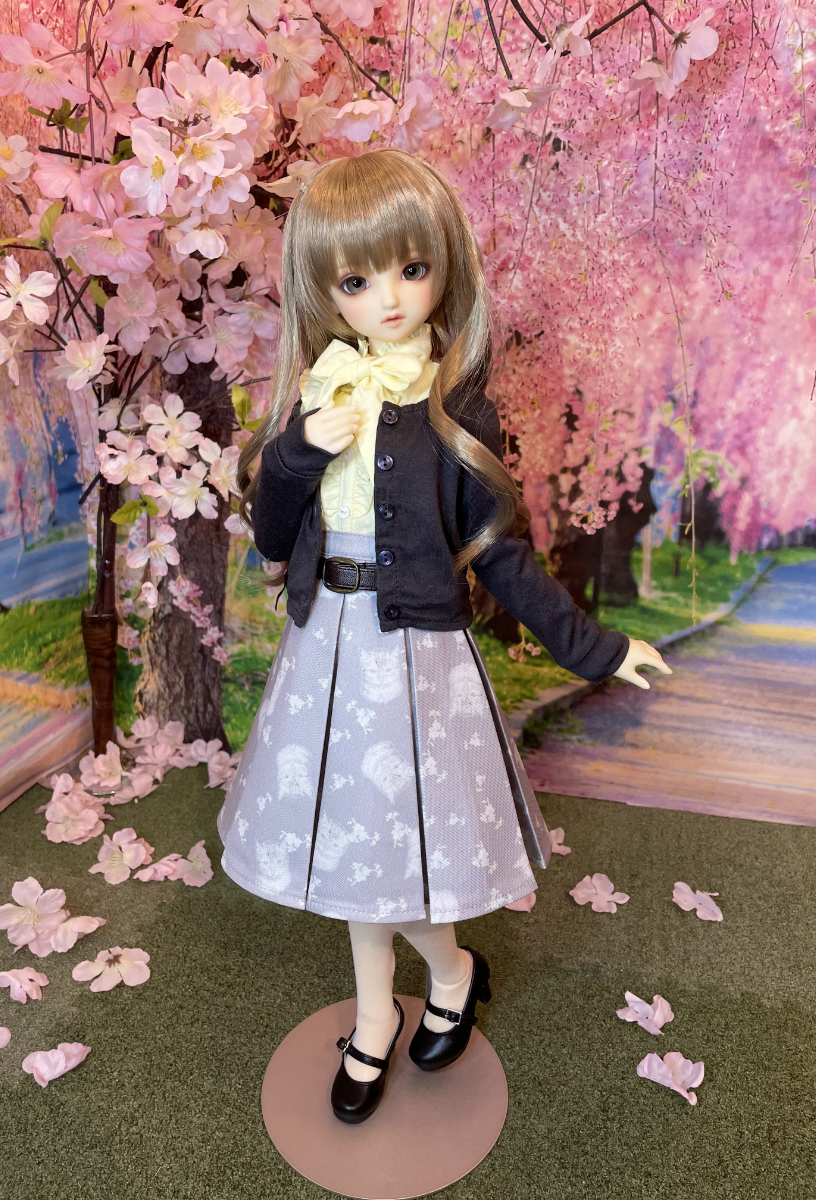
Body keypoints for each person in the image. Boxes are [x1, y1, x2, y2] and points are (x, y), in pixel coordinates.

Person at [217, 148, 670, 1125]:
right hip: (325, 653)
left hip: (414, 662)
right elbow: (271, 537)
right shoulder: (318, 395)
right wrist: (296, 453)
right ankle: (387, 1010)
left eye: (411, 269)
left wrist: (595, 648)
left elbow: (501, 556)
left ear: (442, 269)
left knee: (401, 851)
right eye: (356, 280)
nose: (387, 298)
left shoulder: (458, 411)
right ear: (322, 289)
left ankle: (445, 977)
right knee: (353, 848)